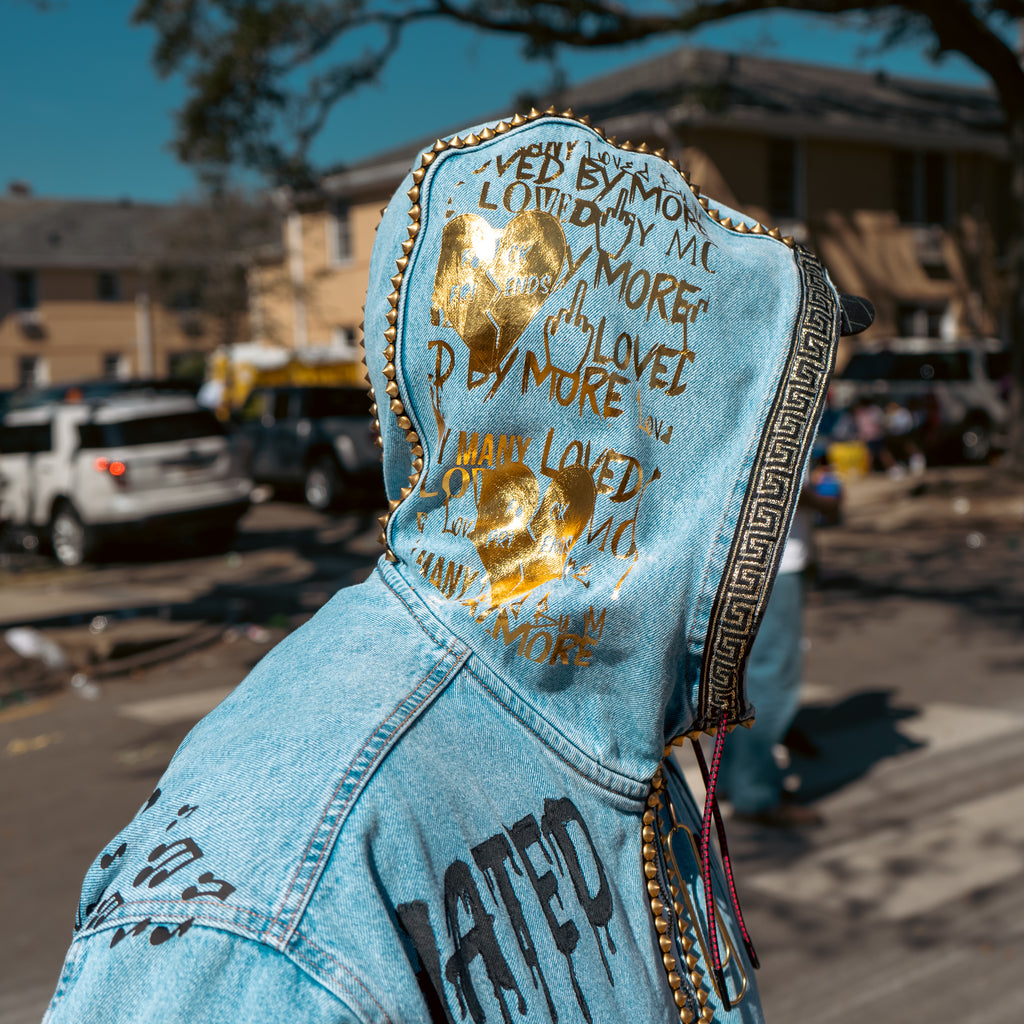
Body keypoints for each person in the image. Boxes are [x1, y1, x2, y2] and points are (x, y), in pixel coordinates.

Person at [43, 111, 867, 1023]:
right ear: (655, 449)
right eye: (754, 433)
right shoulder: (281, 891)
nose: (781, 482)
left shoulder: (603, 726)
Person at [718, 472, 841, 828]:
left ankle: (730, 778)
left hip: (740, 557)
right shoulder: (773, 412)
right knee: (769, 683)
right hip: (774, 561)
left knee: (738, 677)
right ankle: (755, 792)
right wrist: (824, 502)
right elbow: (779, 479)